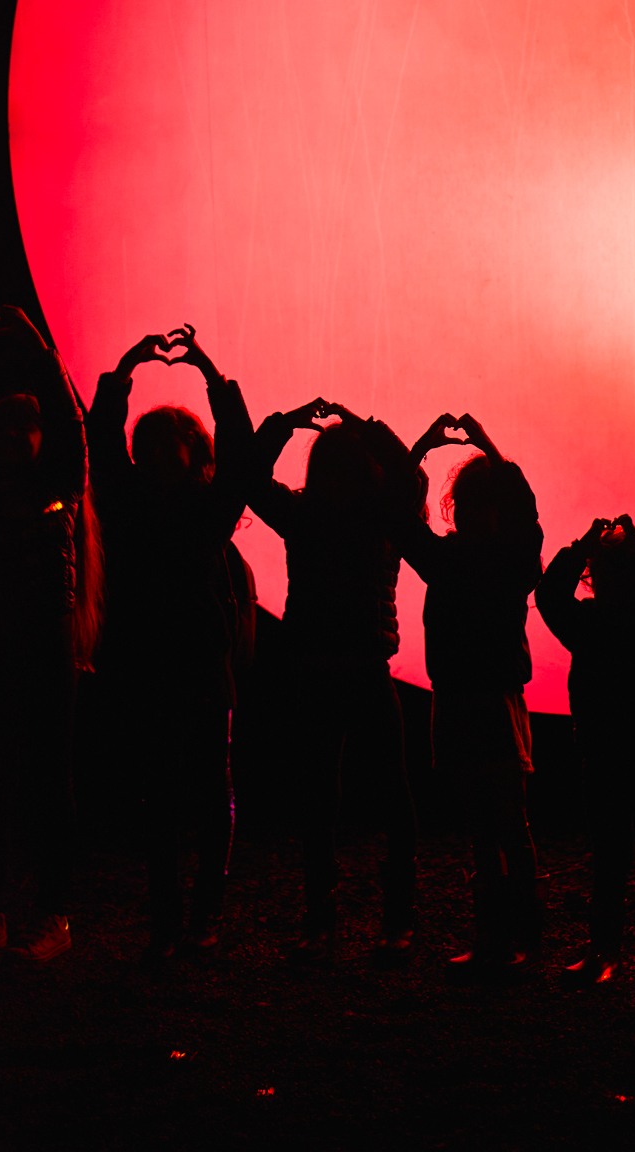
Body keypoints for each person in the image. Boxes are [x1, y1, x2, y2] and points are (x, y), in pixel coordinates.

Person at [86, 324, 257, 962]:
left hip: (199, 669)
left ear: (193, 450)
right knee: (162, 796)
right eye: (148, 445)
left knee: (206, 793)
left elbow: (238, 454)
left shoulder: (208, 511)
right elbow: (102, 441)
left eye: (167, 443)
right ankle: (170, 919)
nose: (155, 453)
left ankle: (200, 915)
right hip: (152, 670)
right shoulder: (132, 506)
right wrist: (126, 369)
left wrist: (211, 375)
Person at [245, 399, 427, 960]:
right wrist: (367, 428)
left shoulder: (306, 514)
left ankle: (325, 921)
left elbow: (251, 478)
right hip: (365, 672)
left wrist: (287, 423)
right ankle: (394, 921)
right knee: (386, 797)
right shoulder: (385, 517)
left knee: (324, 799)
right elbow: (412, 477)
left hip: (324, 673)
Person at [0, 304, 102, 963]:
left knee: (50, 781)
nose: (15, 434)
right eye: (3, 426)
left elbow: (72, 426)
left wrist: (41, 348)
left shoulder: (62, 484)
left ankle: (53, 917)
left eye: (26, 425)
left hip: (46, 644)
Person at [397, 413, 543, 972]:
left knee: (495, 824)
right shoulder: (512, 561)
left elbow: (401, 517)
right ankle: (513, 939)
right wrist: (485, 444)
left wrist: (421, 449)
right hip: (485, 699)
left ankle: (504, 939)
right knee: (499, 825)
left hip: (470, 699)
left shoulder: (450, 561)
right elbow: (524, 510)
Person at [535, 513, 635, 986]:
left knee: (614, 859)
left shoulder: (588, 624)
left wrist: (583, 546)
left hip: (609, 754)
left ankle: (606, 955)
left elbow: (548, 595)